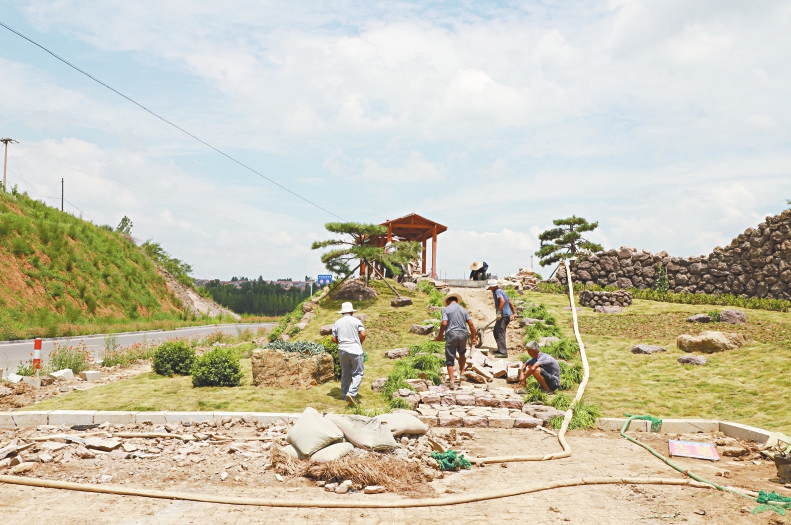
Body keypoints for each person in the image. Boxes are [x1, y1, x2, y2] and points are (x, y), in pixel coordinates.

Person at [434, 293, 476, 389]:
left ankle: (452, 381)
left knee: (450, 359)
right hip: (463, 334)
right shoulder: (463, 310)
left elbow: (444, 323)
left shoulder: (446, 309)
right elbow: (471, 324)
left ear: (448, 301)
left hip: (451, 334)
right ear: (456, 300)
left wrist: (439, 336)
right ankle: (462, 373)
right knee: (462, 353)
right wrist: (473, 337)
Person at [331, 301, 366, 406]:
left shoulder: (337, 323)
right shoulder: (356, 321)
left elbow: (333, 338)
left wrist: (340, 343)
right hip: (355, 349)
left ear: (342, 313)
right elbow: (363, 334)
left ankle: (344, 394)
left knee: (345, 373)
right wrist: (360, 342)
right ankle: (351, 393)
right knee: (358, 373)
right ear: (351, 312)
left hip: (342, 350)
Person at [487, 278, 514, 357]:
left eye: (490, 287)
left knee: (499, 332)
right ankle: (500, 349)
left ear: (493, 286)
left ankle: (503, 352)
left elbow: (503, 301)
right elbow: (510, 302)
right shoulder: (502, 291)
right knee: (496, 331)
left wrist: (499, 313)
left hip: (503, 316)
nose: (489, 289)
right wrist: (514, 312)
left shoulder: (497, 291)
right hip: (506, 315)